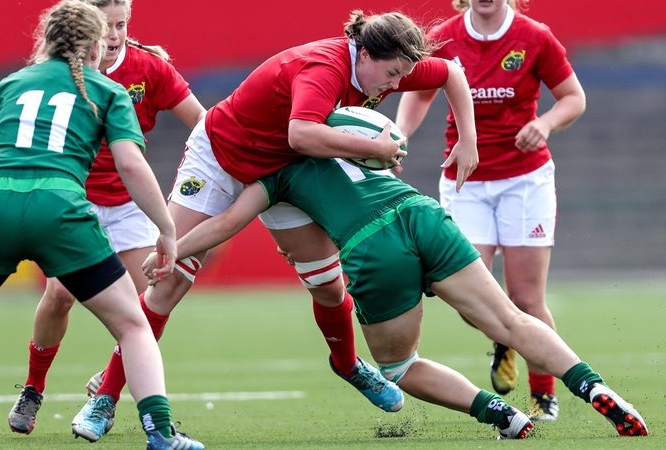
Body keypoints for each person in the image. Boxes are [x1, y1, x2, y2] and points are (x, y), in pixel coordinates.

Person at [61, 9, 482, 439]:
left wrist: (468, 140)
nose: (395, 86)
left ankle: (348, 364)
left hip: (287, 168)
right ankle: (105, 399)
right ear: (367, 54)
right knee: (169, 282)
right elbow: (301, 133)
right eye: (391, 75)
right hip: (220, 157)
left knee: (328, 284)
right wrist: (371, 146)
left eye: (401, 77)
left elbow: (450, 72)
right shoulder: (325, 68)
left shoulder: (386, 63)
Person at [0, 2, 204, 449]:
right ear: (93, 43)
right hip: (61, 209)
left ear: (45, 41)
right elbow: (132, 164)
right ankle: (161, 435)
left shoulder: (9, 84)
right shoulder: (106, 91)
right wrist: (167, 228)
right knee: (133, 326)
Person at [143, 155, 649, 439]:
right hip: (420, 213)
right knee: (511, 321)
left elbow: (229, 221)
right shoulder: (336, 120)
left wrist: (171, 248)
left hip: (372, 246)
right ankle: (595, 388)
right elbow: (391, 140)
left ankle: (503, 414)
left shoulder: (272, 168)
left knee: (399, 367)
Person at [5, 0, 207, 442]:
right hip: (76, 201)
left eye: (122, 24)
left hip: (131, 205)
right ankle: (34, 389)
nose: (114, 34)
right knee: (59, 296)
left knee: (154, 299)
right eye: (106, 25)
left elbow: (204, 124)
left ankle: (115, 386)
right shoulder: (59, 70)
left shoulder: (150, 68)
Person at [395, 0, 586, 422]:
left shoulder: (535, 37)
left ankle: (542, 395)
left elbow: (574, 98)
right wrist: (398, 136)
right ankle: (506, 337)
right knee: (467, 299)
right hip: (465, 178)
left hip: (525, 181)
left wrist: (546, 123)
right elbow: (420, 93)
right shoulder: (442, 37)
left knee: (525, 298)